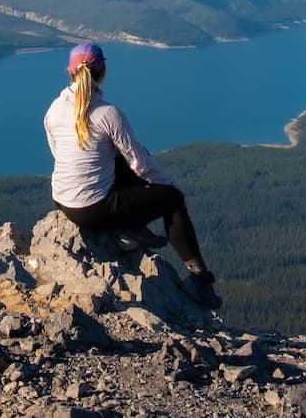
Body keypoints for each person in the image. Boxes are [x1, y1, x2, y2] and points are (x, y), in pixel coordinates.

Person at [42, 41, 221, 310]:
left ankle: (130, 226)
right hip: (92, 210)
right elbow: (140, 164)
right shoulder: (107, 114)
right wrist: (171, 188)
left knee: (116, 160)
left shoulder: (54, 110)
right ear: (103, 71)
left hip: (62, 199)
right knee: (171, 200)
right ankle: (201, 280)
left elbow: (59, 153)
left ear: (69, 72)